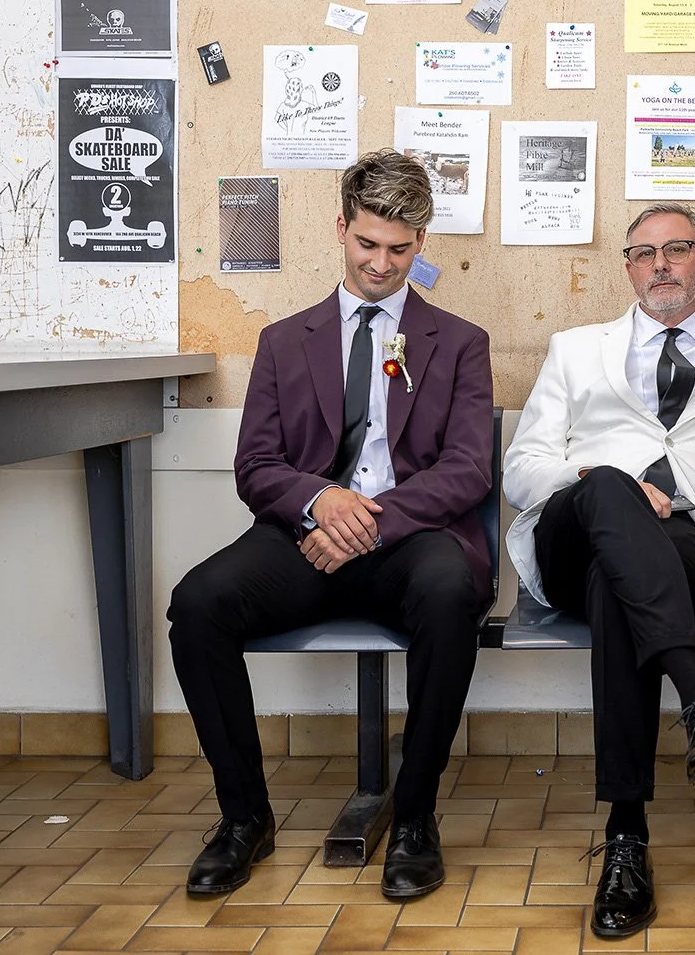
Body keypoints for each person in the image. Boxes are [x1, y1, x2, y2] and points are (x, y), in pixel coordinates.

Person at [168, 150, 494, 900]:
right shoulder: (285, 340)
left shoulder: (460, 343)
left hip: (412, 541)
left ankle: (413, 817)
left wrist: (366, 520)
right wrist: (323, 502)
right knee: (197, 603)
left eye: (401, 249)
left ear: (422, 243)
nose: (382, 264)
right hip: (302, 539)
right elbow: (257, 465)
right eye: (368, 243)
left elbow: (467, 468)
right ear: (340, 227)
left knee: (451, 597)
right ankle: (244, 816)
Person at [502, 203, 695, 938]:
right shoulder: (575, 348)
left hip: (686, 547)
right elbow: (521, 469)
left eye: (678, 249)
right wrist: (604, 477)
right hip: (571, 533)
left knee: (619, 588)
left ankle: (627, 838)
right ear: (626, 268)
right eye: (645, 252)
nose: (661, 263)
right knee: (606, 489)